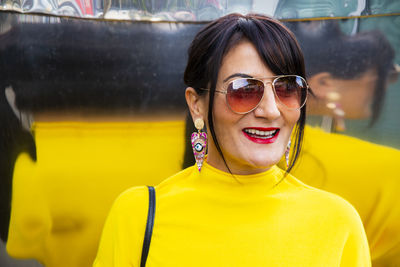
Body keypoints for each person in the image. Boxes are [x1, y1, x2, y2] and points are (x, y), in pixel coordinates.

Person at [93, 13, 370, 266]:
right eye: (244, 90)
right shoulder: (137, 216)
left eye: (287, 88)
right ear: (196, 104)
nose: (271, 111)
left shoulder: (339, 223)